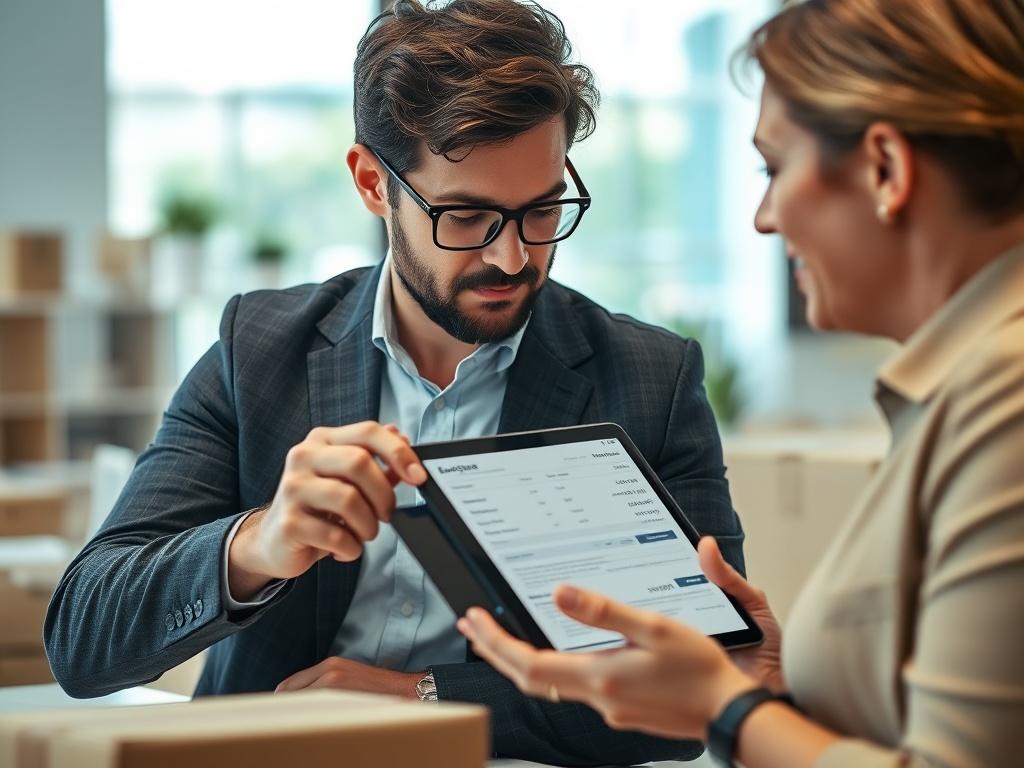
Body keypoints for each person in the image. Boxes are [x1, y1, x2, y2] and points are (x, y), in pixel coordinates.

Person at [43, 1, 746, 764]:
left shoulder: (650, 379)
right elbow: (83, 639)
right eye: (467, 217)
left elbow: (705, 689)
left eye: (542, 210)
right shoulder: (259, 352)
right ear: (373, 183)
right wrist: (258, 544)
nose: (512, 257)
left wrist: (425, 696)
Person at [458, 0, 1024, 766]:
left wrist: (723, 707)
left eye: (773, 169)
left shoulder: (1006, 396)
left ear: (886, 171)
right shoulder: (964, 386)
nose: (763, 217)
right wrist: (770, 687)